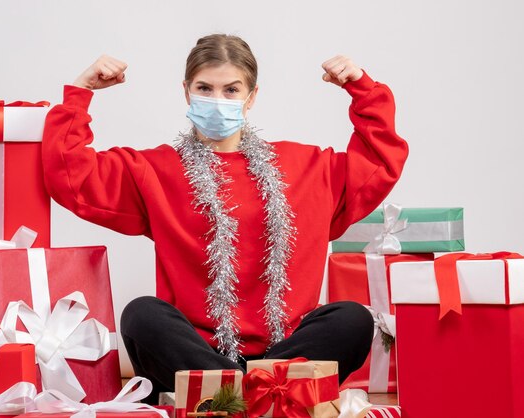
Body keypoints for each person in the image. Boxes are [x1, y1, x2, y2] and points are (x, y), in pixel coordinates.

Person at [42, 34, 408, 402]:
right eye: (205, 88)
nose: (217, 101)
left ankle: (231, 397)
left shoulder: (307, 167)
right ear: (186, 92)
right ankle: (259, 396)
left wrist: (362, 88)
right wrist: (81, 90)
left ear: (252, 96)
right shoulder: (153, 169)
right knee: (141, 315)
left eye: (231, 90)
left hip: (286, 352)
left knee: (354, 319)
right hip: (195, 355)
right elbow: (71, 176)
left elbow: (379, 161)